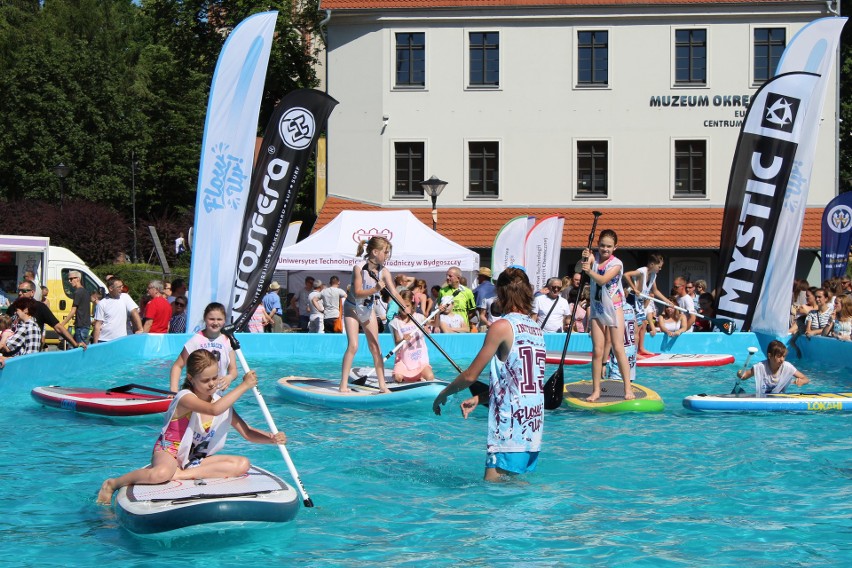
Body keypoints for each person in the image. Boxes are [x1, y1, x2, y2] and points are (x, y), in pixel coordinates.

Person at [96, 350, 286, 505]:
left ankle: (182, 474)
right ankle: (112, 484)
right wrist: (244, 386)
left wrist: (271, 438)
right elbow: (213, 410)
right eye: (205, 380)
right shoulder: (185, 398)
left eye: (214, 378)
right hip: (170, 452)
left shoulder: (221, 401)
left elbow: (247, 432)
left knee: (243, 464)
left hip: (194, 460)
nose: (212, 384)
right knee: (161, 474)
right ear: (191, 378)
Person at [432, 267, 545, 482]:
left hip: (510, 422)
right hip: (532, 421)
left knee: (493, 491)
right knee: (514, 485)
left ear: (501, 293)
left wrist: (443, 394)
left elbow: (470, 376)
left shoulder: (501, 326)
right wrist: (480, 398)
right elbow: (520, 382)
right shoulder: (535, 329)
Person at [582, 229, 633, 402]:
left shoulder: (616, 264)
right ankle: (596, 390)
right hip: (597, 308)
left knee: (618, 348)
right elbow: (579, 268)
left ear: (615, 247)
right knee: (597, 350)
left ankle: (628, 388)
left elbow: (602, 280)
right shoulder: (593, 258)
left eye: (609, 246)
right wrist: (584, 258)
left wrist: (588, 271)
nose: (605, 249)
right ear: (598, 245)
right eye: (602, 245)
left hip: (614, 307)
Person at [339, 236, 395, 394]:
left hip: (368, 309)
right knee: (353, 346)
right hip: (352, 308)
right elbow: (356, 293)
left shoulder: (384, 271)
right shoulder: (359, 267)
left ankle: (382, 385)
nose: (387, 255)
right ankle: (343, 384)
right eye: (385, 252)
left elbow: (394, 292)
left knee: (375, 347)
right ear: (375, 252)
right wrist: (375, 289)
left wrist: (405, 307)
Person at [169, 302, 238, 392]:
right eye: (211, 319)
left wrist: (229, 377)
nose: (215, 322)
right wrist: (174, 390)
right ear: (205, 319)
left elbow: (233, 369)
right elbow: (177, 366)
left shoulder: (228, 341)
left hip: (218, 394)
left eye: (219, 319)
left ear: (225, 320)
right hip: (197, 394)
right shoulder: (196, 340)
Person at [13, 280, 84, 349]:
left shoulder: (40, 307)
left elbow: (58, 327)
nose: (19, 293)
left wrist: (75, 344)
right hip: (12, 351)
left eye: (23, 291)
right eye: (18, 291)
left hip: (30, 352)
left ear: (32, 292)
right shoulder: (14, 306)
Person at [623, 254, 668, 356]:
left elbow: (655, 291)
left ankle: (641, 348)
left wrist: (667, 301)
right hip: (631, 299)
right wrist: (634, 288)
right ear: (652, 264)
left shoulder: (653, 275)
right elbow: (626, 275)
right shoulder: (642, 271)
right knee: (636, 327)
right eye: (659, 266)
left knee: (643, 324)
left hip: (639, 301)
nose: (660, 269)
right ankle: (633, 352)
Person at [389, 290, 435, 383]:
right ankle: (406, 377)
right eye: (401, 306)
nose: (404, 308)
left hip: (420, 361)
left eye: (407, 306)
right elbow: (397, 341)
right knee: (398, 378)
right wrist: (403, 339)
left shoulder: (419, 318)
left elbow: (436, 324)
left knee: (430, 377)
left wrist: (438, 313)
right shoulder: (396, 322)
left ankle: (419, 375)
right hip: (404, 361)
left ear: (412, 305)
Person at [737, 340, 809, 397]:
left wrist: (801, 381)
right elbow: (744, 376)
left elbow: (805, 379)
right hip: (763, 400)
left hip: (780, 400)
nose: (782, 360)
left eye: (783, 356)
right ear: (769, 355)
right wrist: (739, 373)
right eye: (779, 356)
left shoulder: (787, 367)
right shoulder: (760, 367)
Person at [92, 277, 143, 343]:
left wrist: (140, 329)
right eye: (119, 287)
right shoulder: (102, 303)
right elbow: (98, 325)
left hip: (121, 340)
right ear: (111, 288)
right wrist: (95, 344)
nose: (121, 289)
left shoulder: (125, 297)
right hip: (104, 340)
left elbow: (134, 312)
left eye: (122, 286)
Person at [439, 267, 477, 331]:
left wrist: (464, 319)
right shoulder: (442, 291)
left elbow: (472, 311)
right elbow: (439, 309)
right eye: (447, 276)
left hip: (462, 330)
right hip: (447, 330)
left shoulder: (467, 292)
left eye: (450, 276)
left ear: (458, 278)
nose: (447, 278)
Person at [61, 270, 92, 346]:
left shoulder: (78, 292)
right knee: (75, 346)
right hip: (85, 325)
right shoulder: (85, 291)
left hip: (81, 326)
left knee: (80, 349)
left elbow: (73, 310)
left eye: (71, 279)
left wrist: (62, 324)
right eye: (69, 279)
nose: (69, 281)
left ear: (78, 279)